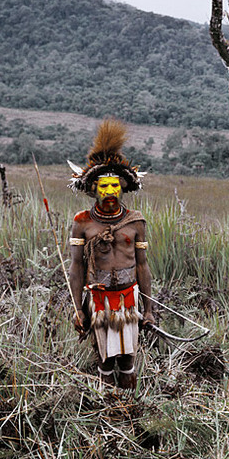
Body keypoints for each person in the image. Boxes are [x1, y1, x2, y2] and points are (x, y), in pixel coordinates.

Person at [67, 120, 154, 389]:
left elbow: (142, 266)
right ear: (93, 189)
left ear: (123, 188)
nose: (110, 192)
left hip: (128, 298)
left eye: (114, 186)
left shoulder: (135, 222)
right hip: (99, 298)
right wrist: (76, 308)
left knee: (128, 359)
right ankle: (106, 406)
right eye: (104, 187)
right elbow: (76, 266)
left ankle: (131, 408)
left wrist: (149, 308)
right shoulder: (82, 222)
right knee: (104, 359)